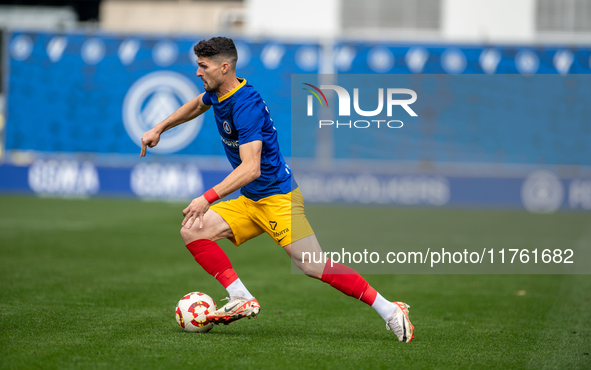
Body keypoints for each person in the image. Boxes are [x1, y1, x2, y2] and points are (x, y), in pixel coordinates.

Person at [140, 37, 414, 342]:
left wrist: (207, 197)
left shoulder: (246, 105)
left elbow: (251, 168)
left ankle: (390, 310)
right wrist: (159, 128)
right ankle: (241, 297)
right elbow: (196, 105)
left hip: (278, 199)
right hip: (252, 200)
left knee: (313, 265)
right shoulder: (218, 93)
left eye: (203, 66)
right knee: (192, 230)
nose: (197, 73)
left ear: (224, 67)